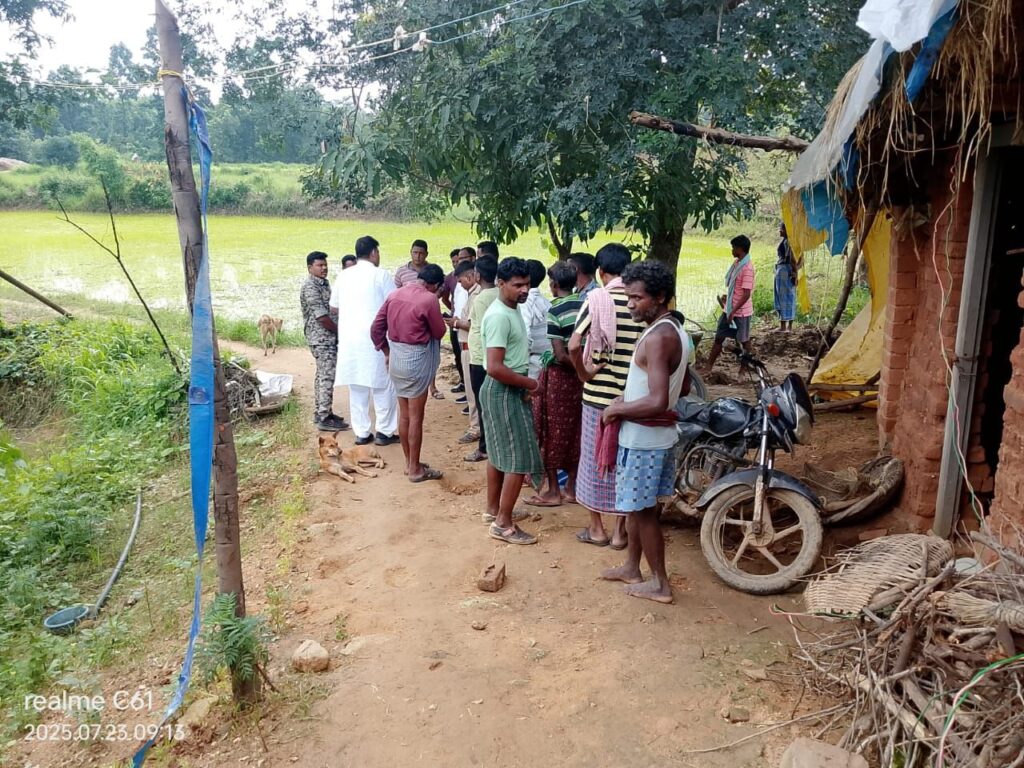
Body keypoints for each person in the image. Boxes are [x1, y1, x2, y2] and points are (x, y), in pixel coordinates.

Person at [600, 260, 690, 605]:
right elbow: (680, 388)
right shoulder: (674, 330)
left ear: (660, 296)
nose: (630, 304)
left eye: (637, 298)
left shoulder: (659, 337)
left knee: (644, 513)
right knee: (638, 508)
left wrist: (618, 408)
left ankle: (660, 584)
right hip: (652, 437)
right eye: (629, 297)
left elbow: (657, 400)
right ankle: (631, 567)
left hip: (645, 441)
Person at [569, 243, 642, 549]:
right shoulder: (641, 301)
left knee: (593, 460)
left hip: (597, 396)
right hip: (631, 398)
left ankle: (597, 529)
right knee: (623, 462)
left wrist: (583, 373)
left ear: (600, 271)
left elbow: (574, 345)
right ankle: (620, 532)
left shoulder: (597, 299)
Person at [479, 257, 543, 544]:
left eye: (526, 284)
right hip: (504, 389)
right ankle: (503, 524)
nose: (524, 290)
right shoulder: (499, 316)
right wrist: (530, 383)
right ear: (500, 283)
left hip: (506, 387)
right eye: (517, 285)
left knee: (497, 453)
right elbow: (495, 367)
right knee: (518, 457)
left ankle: (494, 510)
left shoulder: (511, 308)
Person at [371, 264, 448, 483]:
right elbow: (439, 331)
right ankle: (415, 468)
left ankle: (409, 463)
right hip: (416, 361)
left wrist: (386, 351)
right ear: (434, 285)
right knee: (415, 417)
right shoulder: (429, 299)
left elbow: (376, 329)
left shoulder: (395, 294)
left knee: (404, 414)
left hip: (397, 358)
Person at [523, 260, 584, 507]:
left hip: (559, 378)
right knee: (576, 431)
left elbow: (559, 354)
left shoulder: (555, 310)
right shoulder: (585, 306)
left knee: (550, 431)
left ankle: (553, 491)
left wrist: (576, 367)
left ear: (554, 284)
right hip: (581, 380)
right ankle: (571, 487)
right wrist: (584, 370)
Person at [330, 235, 400, 447]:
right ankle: (384, 432)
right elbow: (395, 303)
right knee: (383, 385)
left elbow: (334, 306)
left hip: (351, 340)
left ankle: (362, 433)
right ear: (373, 253)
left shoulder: (344, 276)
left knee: (357, 386)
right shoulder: (381, 275)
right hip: (376, 339)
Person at [299, 251, 348, 431]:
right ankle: (324, 417)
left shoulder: (323, 283)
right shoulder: (310, 287)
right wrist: (339, 332)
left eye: (325, 265)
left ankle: (322, 411)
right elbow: (322, 317)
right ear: (310, 268)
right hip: (321, 338)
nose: (324, 268)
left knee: (322, 375)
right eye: (320, 265)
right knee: (327, 376)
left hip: (325, 337)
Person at [702, 235, 756, 373]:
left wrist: (734, 311)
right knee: (719, 337)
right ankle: (708, 367)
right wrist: (729, 298)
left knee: (744, 341)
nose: (732, 250)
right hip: (730, 308)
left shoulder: (747, 268)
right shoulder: (737, 264)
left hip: (741, 312)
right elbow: (736, 287)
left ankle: (743, 371)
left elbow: (746, 294)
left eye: (733, 248)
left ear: (740, 249)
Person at [464, 255, 499, 462]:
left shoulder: (480, 299)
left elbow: (477, 326)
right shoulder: (499, 293)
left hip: (479, 357)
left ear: (477, 275)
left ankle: (485, 447)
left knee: (482, 404)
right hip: (493, 355)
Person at [447, 259, 481, 445]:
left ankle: (476, 428)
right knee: (472, 391)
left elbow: (474, 324)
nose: (459, 284)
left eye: (460, 280)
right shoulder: (473, 293)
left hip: (471, 348)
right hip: (469, 347)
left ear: (469, 277)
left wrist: (456, 323)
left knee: (472, 392)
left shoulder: (477, 295)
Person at [519, 258, 552, 379]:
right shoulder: (547, 302)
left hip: (531, 363)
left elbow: (526, 335)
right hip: (546, 359)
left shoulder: (525, 304)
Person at [774, 223, 798, 331]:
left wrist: (795, 273)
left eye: (781, 229)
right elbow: (799, 260)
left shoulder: (788, 242)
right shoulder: (790, 241)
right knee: (789, 296)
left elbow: (792, 259)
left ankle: (784, 326)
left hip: (784, 270)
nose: (780, 231)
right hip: (785, 270)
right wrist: (795, 272)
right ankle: (789, 326)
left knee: (783, 297)